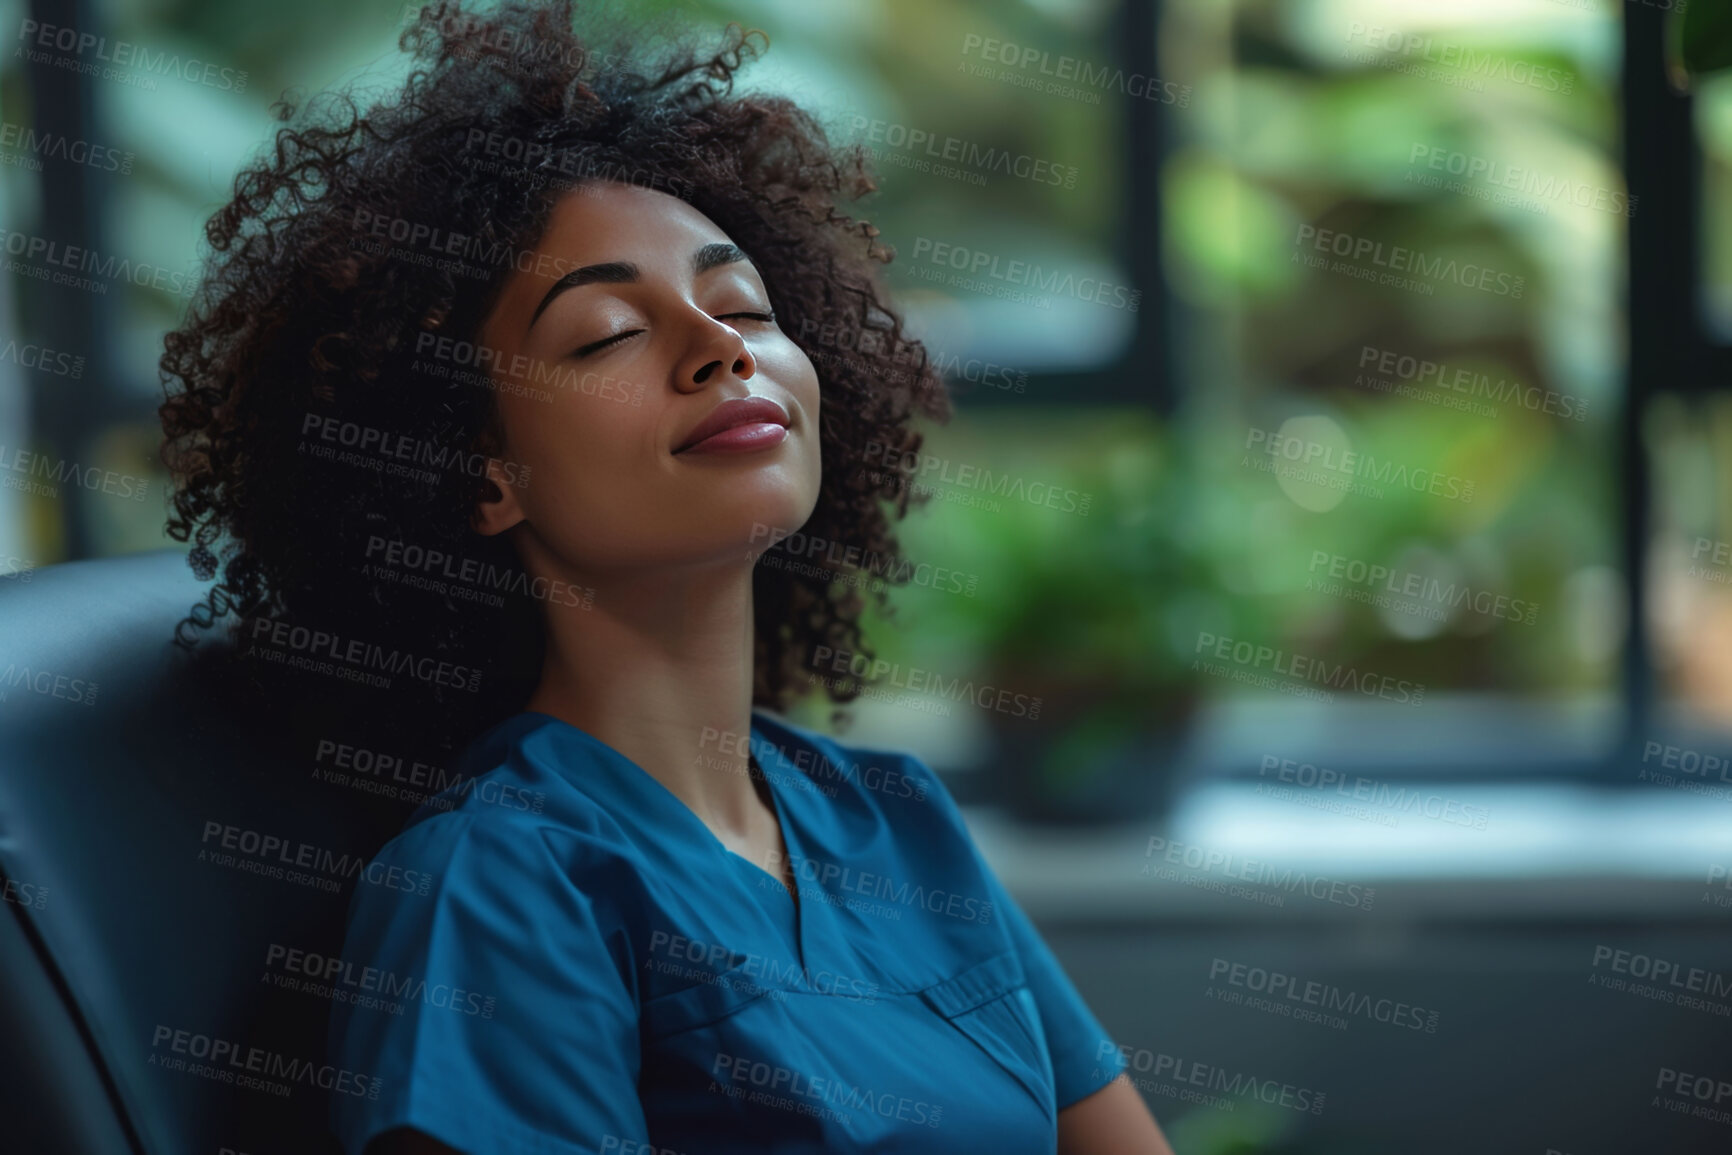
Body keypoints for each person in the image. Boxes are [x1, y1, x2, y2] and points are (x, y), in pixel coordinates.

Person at [156, 2, 1173, 1151]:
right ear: (480, 474)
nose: (721, 345)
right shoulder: (500, 889)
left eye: (743, 306)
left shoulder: (894, 820)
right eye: (602, 335)